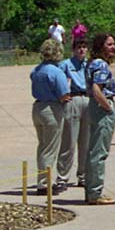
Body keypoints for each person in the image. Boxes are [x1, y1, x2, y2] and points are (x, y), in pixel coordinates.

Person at [30, 39, 71, 194]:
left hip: (38, 107)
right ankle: (44, 183)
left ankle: (42, 180)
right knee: (50, 148)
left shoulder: (36, 70)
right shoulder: (56, 72)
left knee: (42, 146)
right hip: (52, 109)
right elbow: (64, 93)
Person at [84, 33, 115, 205]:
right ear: (100, 46)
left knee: (93, 150)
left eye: (113, 44)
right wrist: (107, 107)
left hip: (93, 107)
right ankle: (95, 192)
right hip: (101, 108)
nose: (113, 47)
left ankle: (91, 189)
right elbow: (97, 89)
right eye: (109, 44)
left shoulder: (91, 63)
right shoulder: (101, 65)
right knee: (99, 151)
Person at [59, 38, 91, 188]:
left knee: (86, 142)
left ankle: (83, 175)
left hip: (88, 99)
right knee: (69, 141)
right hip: (73, 98)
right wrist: (61, 95)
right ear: (73, 49)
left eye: (84, 47)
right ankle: (62, 177)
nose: (81, 50)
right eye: (79, 47)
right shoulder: (66, 64)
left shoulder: (90, 64)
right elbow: (58, 81)